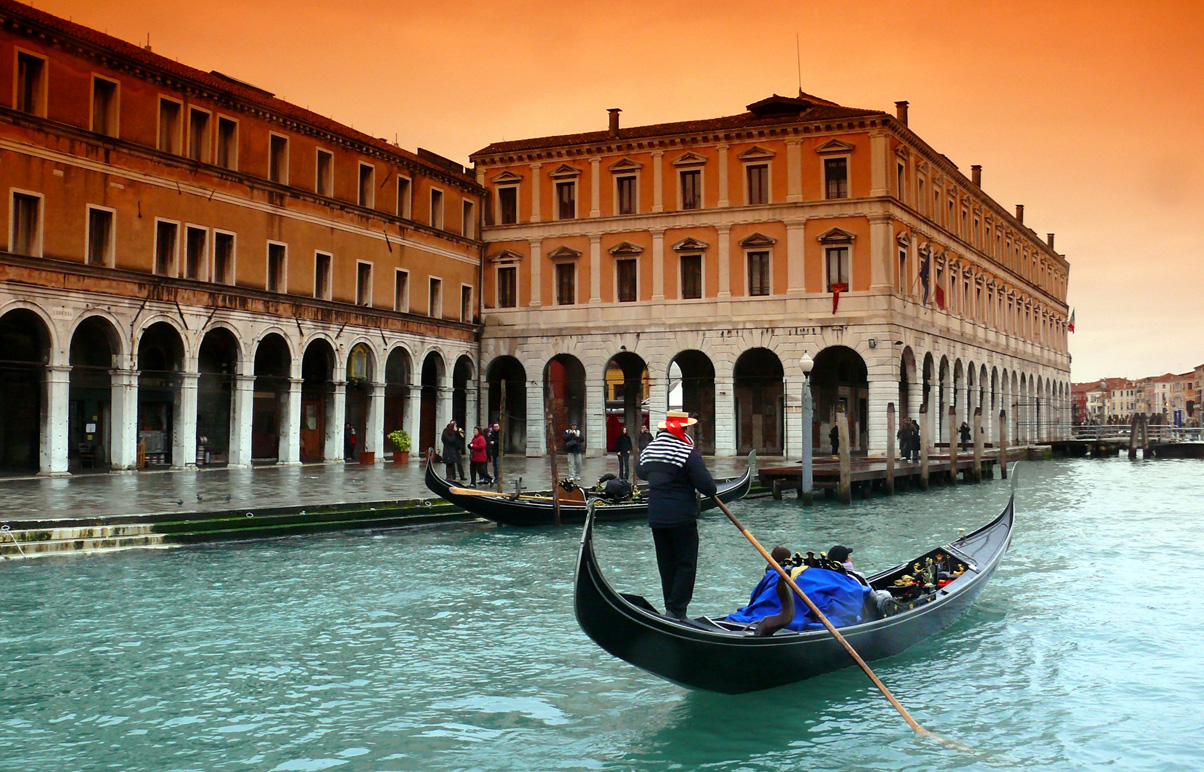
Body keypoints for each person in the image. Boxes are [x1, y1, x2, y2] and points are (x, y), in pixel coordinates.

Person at [637, 410, 717, 621]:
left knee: (666, 563)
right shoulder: (687, 451)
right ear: (683, 428)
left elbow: (641, 472)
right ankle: (677, 611)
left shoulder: (649, 450)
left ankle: (670, 609)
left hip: (656, 516)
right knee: (685, 563)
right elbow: (708, 487)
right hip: (681, 516)